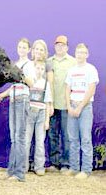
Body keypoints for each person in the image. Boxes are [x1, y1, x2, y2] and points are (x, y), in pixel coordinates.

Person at [0, 38, 35, 181]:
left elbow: (31, 83)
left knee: (20, 137)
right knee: (14, 138)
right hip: (13, 100)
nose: (21, 49)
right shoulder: (15, 64)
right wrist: (1, 95)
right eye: (20, 47)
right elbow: (13, 87)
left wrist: (20, 76)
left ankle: (19, 173)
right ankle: (11, 171)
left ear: (28, 50)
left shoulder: (29, 65)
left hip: (22, 100)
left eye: (24, 47)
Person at [64, 43, 99, 179]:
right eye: (78, 52)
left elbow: (91, 90)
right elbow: (67, 89)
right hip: (72, 105)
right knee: (72, 139)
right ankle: (74, 167)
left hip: (85, 107)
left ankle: (86, 170)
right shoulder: (71, 70)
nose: (80, 55)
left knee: (85, 139)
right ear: (75, 54)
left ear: (87, 54)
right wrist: (69, 106)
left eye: (83, 52)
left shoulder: (91, 69)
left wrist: (79, 107)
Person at [47, 35, 76, 172]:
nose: (60, 47)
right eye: (57, 45)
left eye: (63, 45)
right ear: (54, 46)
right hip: (51, 104)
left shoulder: (73, 62)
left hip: (66, 104)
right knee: (52, 134)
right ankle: (54, 162)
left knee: (66, 135)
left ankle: (66, 163)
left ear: (67, 47)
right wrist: (49, 103)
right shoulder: (49, 61)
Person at [25, 60, 52, 176]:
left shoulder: (46, 84)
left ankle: (39, 166)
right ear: (34, 68)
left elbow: (47, 103)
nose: (39, 70)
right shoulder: (29, 82)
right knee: (26, 140)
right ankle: (23, 166)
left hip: (41, 114)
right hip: (29, 113)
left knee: (40, 141)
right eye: (38, 68)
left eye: (42, 69)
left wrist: (47, 120)